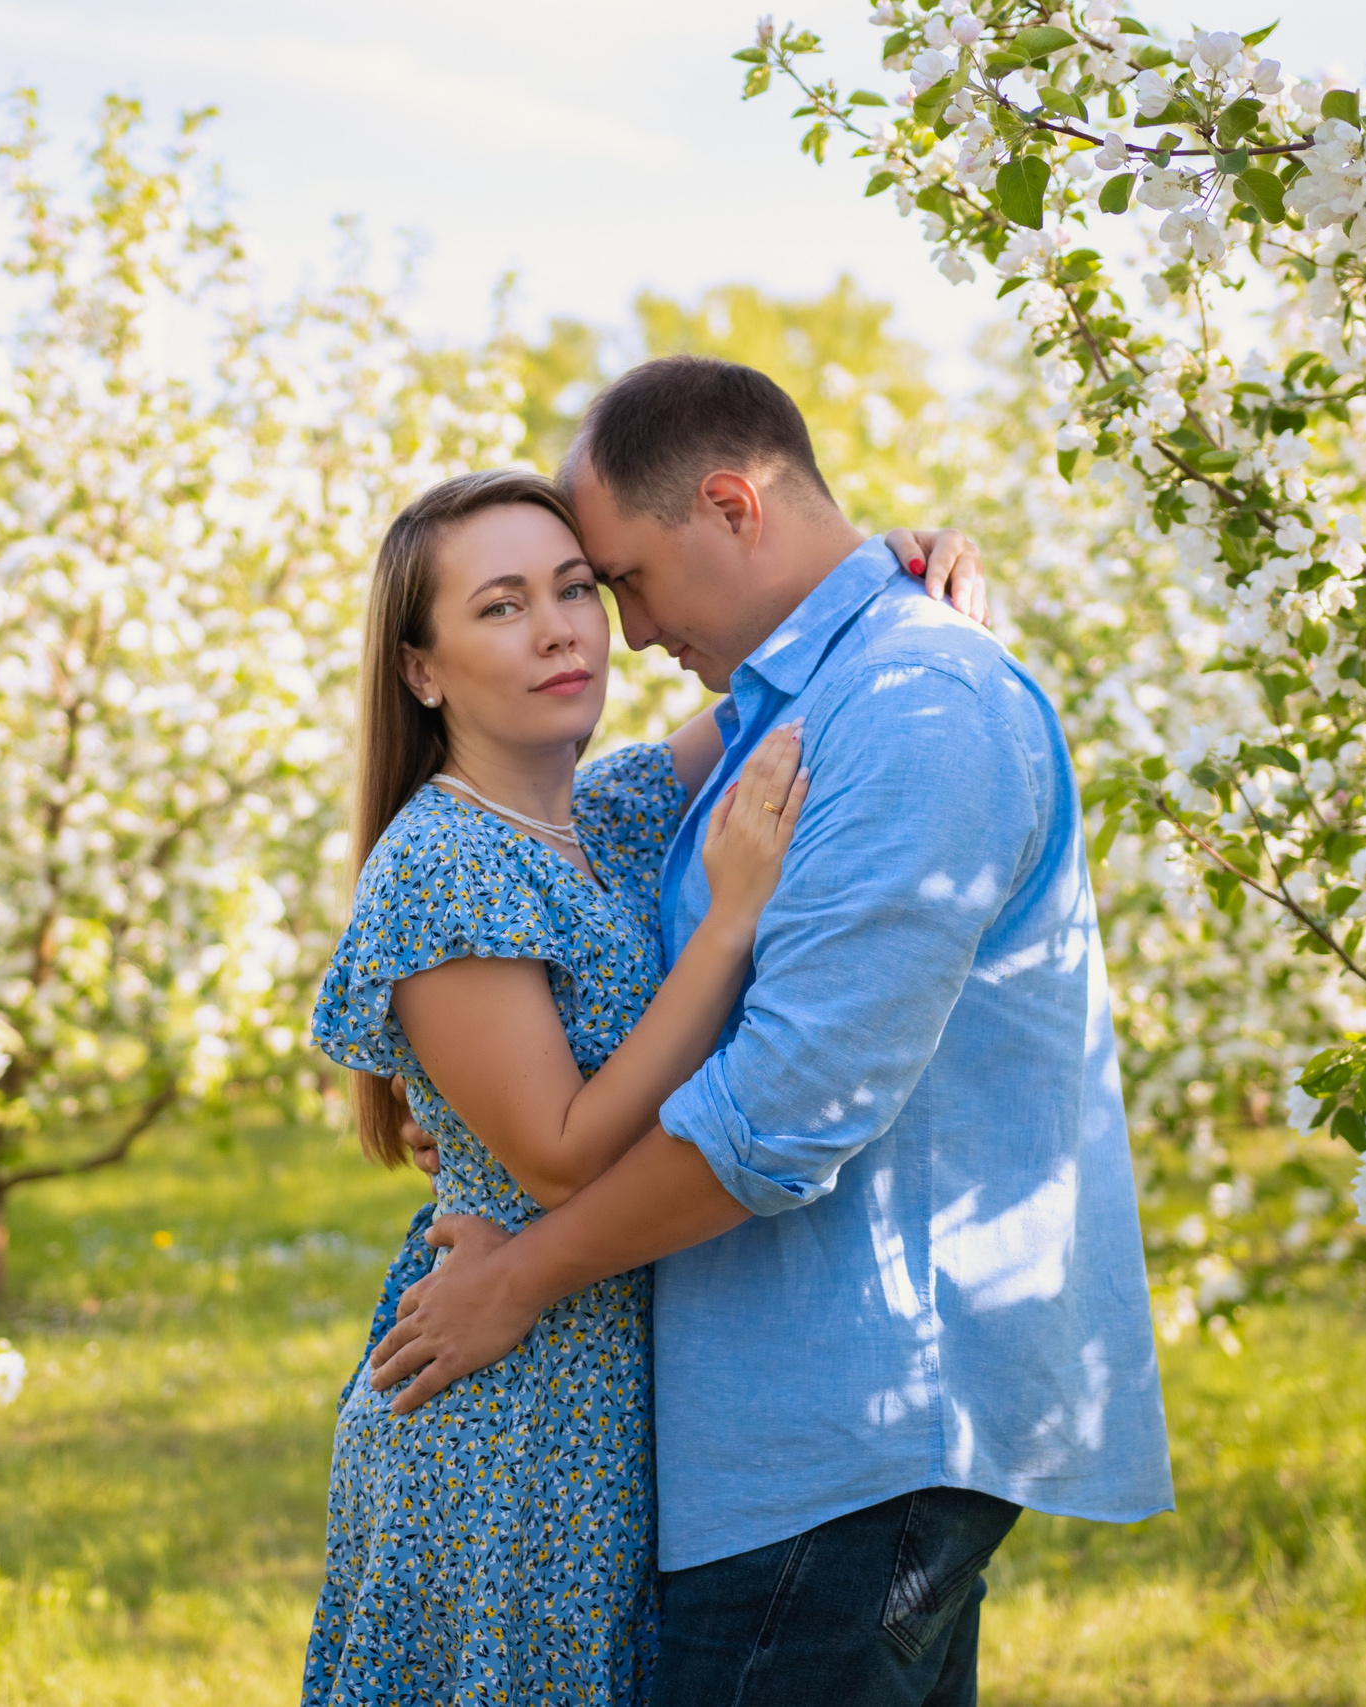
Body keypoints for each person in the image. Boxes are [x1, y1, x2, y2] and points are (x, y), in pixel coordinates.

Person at [367, 357, 1175, 1707]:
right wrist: (893, 564)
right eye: (527, 600)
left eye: (606, 580)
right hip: (773, 1428)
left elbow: (782, 1109)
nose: (611, 634)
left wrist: (524, 1276)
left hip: (854, 1420)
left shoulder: (915, 708)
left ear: (731, 506)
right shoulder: (787, 708)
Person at [300, 464, 985, 1706]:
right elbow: (558, 1154)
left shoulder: (601, 812)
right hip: (504, 1416)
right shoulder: (441, 865)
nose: (563, 626)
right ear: (421, 668)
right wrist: (728, 924)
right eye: (501, 607)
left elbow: (793, 668)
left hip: (607, 1388)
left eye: (575, 587)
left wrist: (887, 567)